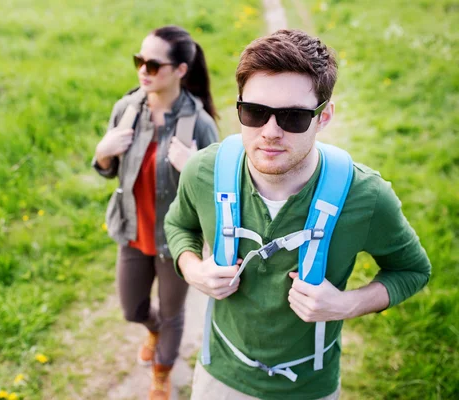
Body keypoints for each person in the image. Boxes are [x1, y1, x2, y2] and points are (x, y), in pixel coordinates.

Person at [164, 29, 431, 400]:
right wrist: (194, 269)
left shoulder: (367, 197)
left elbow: (413, 270)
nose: (270, 132)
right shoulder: (203, 171)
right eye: (254, 112)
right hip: (219, 376)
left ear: (324, 117)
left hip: (309, 386)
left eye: (293, 117)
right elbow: (179, 223)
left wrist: (345, 304)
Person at [92, 25, 219, 400]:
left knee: (172, 313)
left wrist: (195, 165)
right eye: (138, 61)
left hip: (176, 240)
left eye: (152, 64)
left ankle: (161, 374)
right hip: (132, 231)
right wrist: (103, 151)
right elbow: (109, 169)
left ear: (180, 70)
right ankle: (153, 331)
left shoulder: (199, 124)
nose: (143, 71)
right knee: (133, 309)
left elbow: (222, 193)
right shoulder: (126, 110)